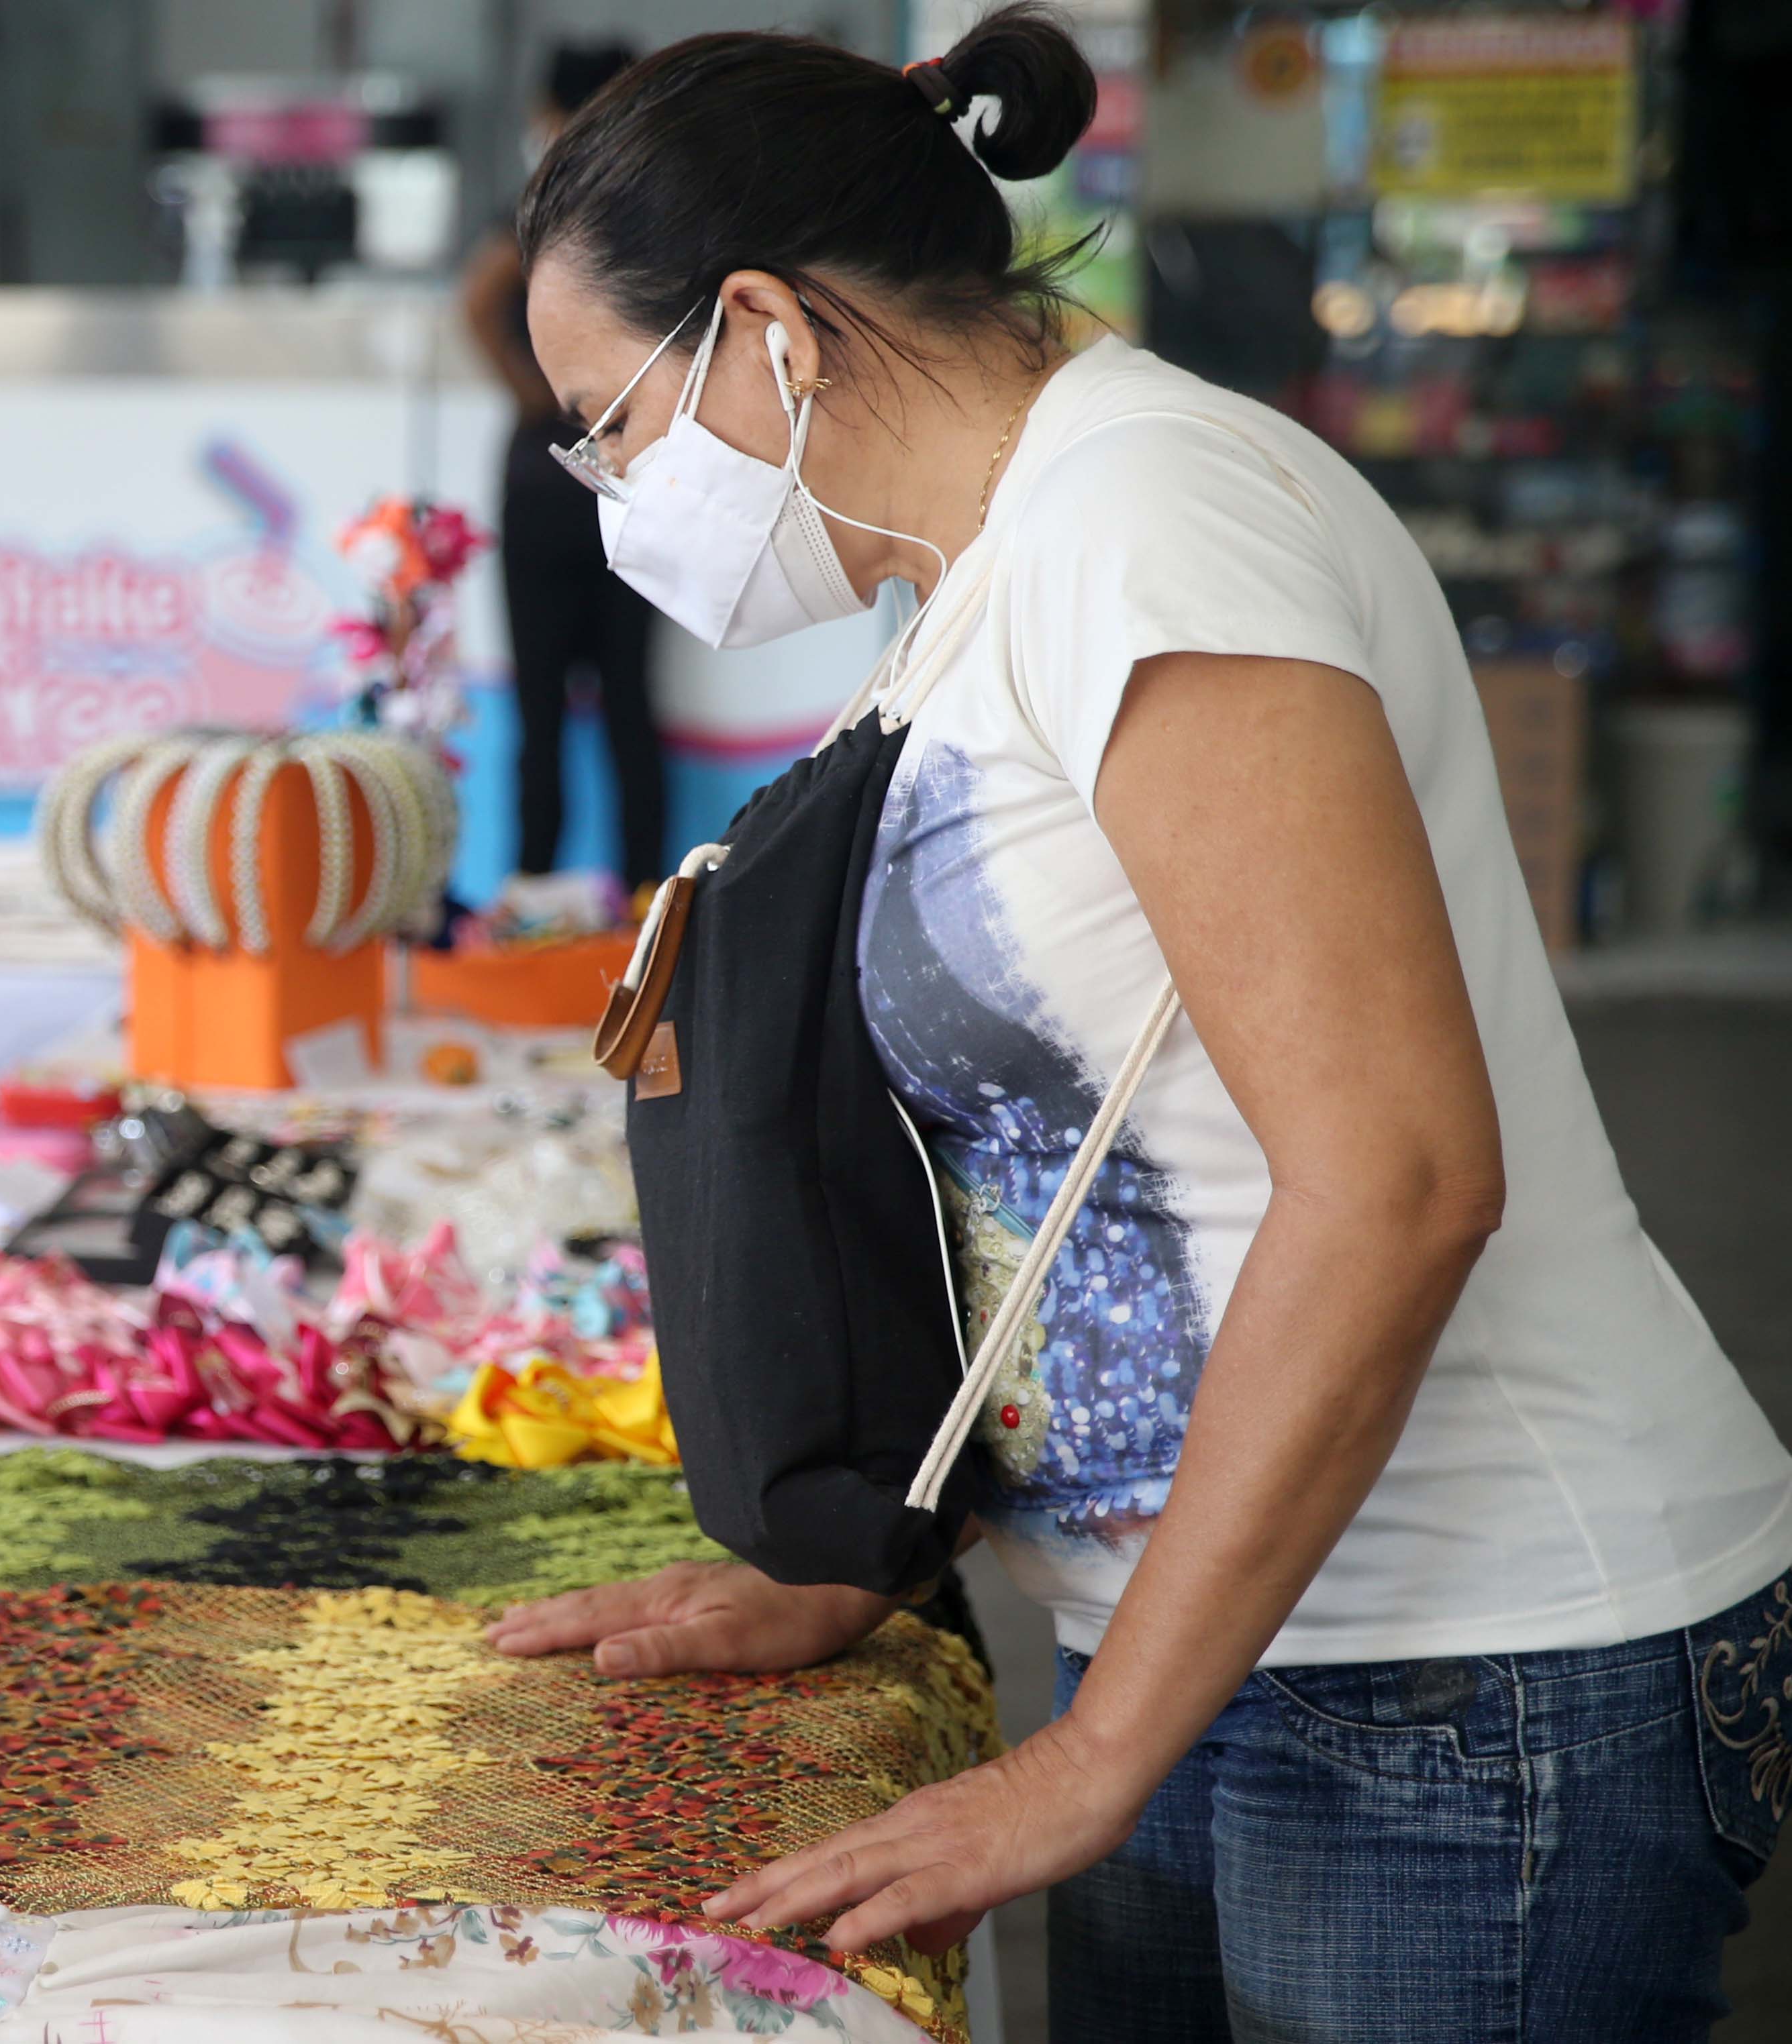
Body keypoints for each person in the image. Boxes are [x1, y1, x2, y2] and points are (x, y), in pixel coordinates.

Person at [483, 10, 1792, 2035]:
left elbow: (1400, 1175)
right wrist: (880, 1547)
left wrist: (1093, 1761)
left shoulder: (1145, 528)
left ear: (767, 327)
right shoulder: (999, 550)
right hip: (1215, 1628)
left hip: (1458, 1667)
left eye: (615, 422)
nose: (611, 490)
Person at [458, 40, 660, 884]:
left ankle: (545, 892)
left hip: (569, 480)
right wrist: (550, 398)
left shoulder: (552, 208)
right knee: (616, 710)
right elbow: (478, 296)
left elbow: (477, 298)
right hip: (600, 476)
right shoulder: (628, 210)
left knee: (566, 712)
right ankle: (640, 900)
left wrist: (536, 397)